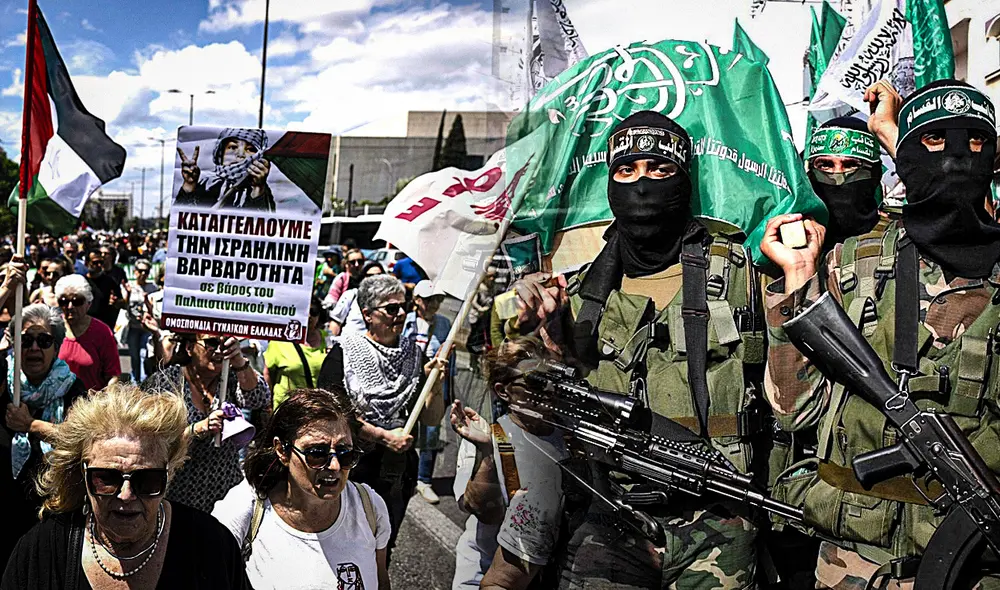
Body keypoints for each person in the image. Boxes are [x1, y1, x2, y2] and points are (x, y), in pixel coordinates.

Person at [506, 111, 766, 588]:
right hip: (608, 516)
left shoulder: (741, 276)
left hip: (717, 519)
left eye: (659, 169)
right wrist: (533, 339)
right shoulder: (582, 293)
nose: (641, 186)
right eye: (625, 171)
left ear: (685, 179)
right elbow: (534, 415)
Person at [761, 79, 1000, 589]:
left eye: (976, 143)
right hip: (853, 565)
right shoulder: (853, 265)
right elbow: (794, 409)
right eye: (933, 142)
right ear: (907, 155)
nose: (957, 160)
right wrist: (799, 281)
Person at [0, 383, 253, 589]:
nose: (126, 495)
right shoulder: (42, 553)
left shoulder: (211, 547)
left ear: (169, 473)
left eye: (147, 480)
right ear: (83, 473)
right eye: (106, 478)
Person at [316, 274, 447, 562]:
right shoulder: (344, 352)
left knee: (382, 546)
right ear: (367, 314)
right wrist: (382, 436)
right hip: (351, 467)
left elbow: (432, 419)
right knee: (345, 543)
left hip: (396, 471)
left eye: (403, 306)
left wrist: (435, 386)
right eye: (391, 308)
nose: (400, 313)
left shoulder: (415, 354)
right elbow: (331, 413)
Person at [212, 388, 391, 590]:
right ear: (282, 451)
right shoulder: (242, 509)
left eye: (344, 453)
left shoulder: (369, 507)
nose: (335, 466)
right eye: (317, 453)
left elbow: (381, 580)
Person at [457, 336, 570, 590]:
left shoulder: (567, 435)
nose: (548, 389)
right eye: (535, 382)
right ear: (503, 391)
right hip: (488, 574)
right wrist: (486, 452)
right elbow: (483, 511)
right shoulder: (492, 436)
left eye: (553, 379)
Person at [140, 333, 271, 513]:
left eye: (223, 343)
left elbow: (259, 398)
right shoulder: (166, 381)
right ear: (189, 347)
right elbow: (152, 440)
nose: (219, 350)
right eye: (211, 343)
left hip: (226, 492)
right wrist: (197, 429)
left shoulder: (230, 377)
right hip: (180, 493)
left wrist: (239, 361)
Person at [1, 304, 87, 568]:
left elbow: (81, 440)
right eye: (25, 340)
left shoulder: (72, 387)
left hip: (50, 511)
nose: (34, 348)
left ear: (57, 345)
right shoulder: (3, 381)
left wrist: (32, 425)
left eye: (44, 340)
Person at [403, 280, 453, 505]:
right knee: (406, 429)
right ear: (417, 300)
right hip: (409, 382)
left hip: (433, 384)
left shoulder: (444, 323)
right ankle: (405, 476)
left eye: (438, 300)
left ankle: (424, 480)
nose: (434, 304)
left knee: (431, 432)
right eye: (429, 300)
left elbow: (447, 355)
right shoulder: (405, 321)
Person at [806, 117, 885, 247]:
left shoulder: (902, 239)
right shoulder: (790, 242)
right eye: (825, 165)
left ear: (875, 175)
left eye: (850, 165)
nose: (838, 178)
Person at [174, 128, 275, 211]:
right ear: (220, 153)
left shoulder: (262, 191)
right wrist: (189, 185)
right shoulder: (208, 185)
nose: (240, 155)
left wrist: (258, 188)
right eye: (232, 147)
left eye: (250, 149)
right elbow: (183, 218)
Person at [54, 275, 120, 392]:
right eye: (64, 301)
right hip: (56, 404)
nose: (70, 307)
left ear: (88, 304)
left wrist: (103, 400)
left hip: (89, 405)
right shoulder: (52, 327)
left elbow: (113, 376)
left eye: (77, 301)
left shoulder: (101, 332)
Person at [264, 297, 330, 409]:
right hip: (286, 411)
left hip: (318, 412)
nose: (309, 316)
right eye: (303, 311)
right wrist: (268, 407)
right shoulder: (279, 341)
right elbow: (268, 374)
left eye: (313, 312)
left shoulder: (328, 340)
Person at [124, 258, 157, 383]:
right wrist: (127, 294)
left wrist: (148, 303)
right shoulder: (129, 287)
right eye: (140, 271)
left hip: (146, 327)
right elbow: (123, 307)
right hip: (132, 327)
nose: (143, 274)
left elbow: (155, 308)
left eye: (146, 271)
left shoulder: (152, 288)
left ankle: (143, 381)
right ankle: (134, 380)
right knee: (134, 356)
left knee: (144, 354)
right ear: (135, 272)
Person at [330, 261, 384, 336]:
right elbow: (335, 322)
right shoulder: (351, 295)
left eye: (379, 275)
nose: (375, 279)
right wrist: (330, 345)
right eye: (370, 276)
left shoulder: (390, 300)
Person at [82, 247, 124, 332]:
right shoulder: (81, 281)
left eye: (101, 262)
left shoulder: (110, 281)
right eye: (95, 262)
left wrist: (115, 302)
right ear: (86, 263)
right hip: (85, 327)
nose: (99, 265)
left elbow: (121, 303)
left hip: (105, 327)